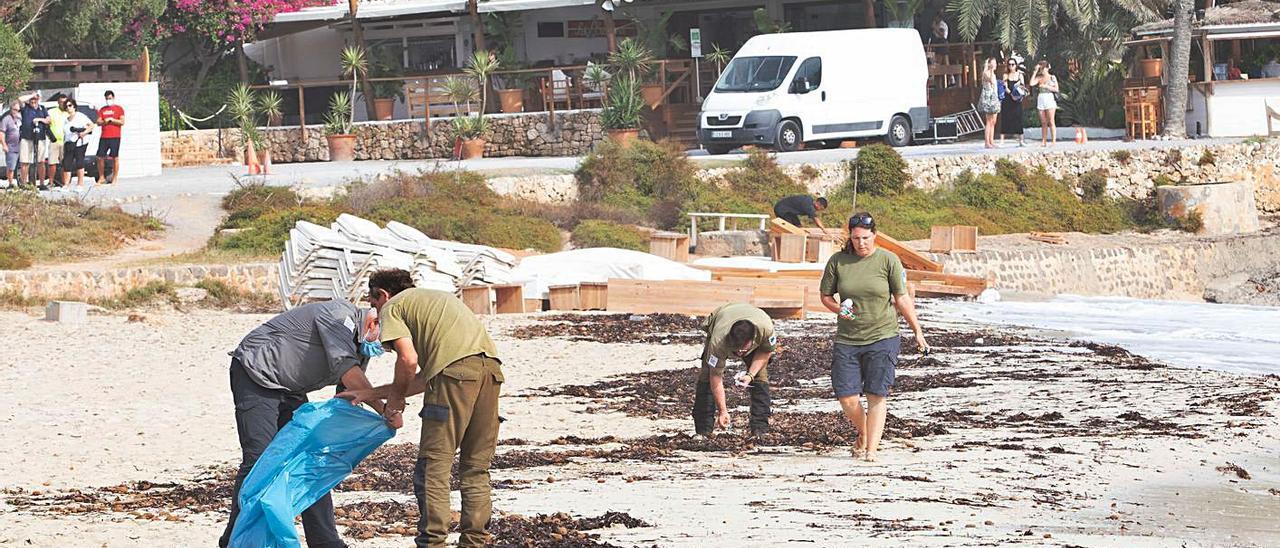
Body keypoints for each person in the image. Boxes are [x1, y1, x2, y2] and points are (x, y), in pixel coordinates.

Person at [340, 269, 504, 548]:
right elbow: (428, 375)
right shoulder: (437, 299)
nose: (375, 312)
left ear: (383, 294)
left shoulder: (394, 306)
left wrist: (394, 404)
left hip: (454, 377)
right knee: (476, 467)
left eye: (373, 303)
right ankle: (475, 542)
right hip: (490, 372)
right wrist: (370, 393)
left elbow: (408, 360)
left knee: (434, 467)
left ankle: (433, 543)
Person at [219, 299, 387, 548]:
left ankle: (325, 542)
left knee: (310, 460)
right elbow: (351, 375)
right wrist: (385, 410)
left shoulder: (363, 345)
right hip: (257, 372)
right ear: (374, 322)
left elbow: (349, 395)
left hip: (292, 386)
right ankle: (234, 540)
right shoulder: (339, 316)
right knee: (259, 460)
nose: (387, 348)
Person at [819, 213, 929, 462]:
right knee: (847, 398)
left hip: (883, 337)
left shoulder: (889, 260)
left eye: (866, 238)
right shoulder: (838, 262)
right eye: (856, 238)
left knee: (876, 395)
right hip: (847, 339)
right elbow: (825, 296)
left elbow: (902, 298)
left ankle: (871, 449)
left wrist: (918, 332)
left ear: (875, 236)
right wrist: (840, 310)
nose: (861, 243)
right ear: (851, 237)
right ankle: (864, 432)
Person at [692, 302, 777, 437]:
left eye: (743, 350)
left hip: (756, 319)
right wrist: (723, 411)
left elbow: (766, 352)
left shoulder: (765, 329)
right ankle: (703, 429)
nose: (739, 353)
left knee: (760, 376)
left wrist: (750, 375)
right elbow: (715, 377)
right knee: (706, 374)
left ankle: (760, 429)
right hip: (723, 315)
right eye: (735, 349)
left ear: (752, 340)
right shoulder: (718, 341)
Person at [18, 92, 50, 189]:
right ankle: (23, 183)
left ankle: (41, 183)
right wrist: (32, 95)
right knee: (25, 161)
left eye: (35, 99)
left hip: (40, 137)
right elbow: (20, 99)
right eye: (32, 99)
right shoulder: (26, 108)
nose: (33, 101)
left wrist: (39, 119)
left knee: (41, 161)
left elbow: (48, 120)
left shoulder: (42, 108)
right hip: (26, 137)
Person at [61, 98, 95, 188]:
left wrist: (84, 133)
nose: (68, 108)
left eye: (70, 105)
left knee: (79, 162)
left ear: (74, 106)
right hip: (69, 143)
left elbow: (91, 125)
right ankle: (66, 184)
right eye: (66, 106)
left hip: (79, 143)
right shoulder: (66, 120)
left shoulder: (80, 116)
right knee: (67, 163)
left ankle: (80, 184)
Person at [96, 90, 125, 184]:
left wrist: (112, 120)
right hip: (104, 136)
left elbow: (122, 122)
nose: (108, 100)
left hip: (115, 136)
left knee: (114, 157)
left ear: (113, 98)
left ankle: (114, 178)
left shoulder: (119, 108)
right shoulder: (102, 109)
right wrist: (105, 121)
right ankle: (101, 177)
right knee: (100, 157)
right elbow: (98, 122)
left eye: (110, 98)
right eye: (107, 98)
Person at [998, 57, 1027, 147]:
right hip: (1008, 98)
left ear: (1016, 65)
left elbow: (1022, 86)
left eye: (1013, 64)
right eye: (1009, 64)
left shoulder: (1020, 75)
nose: (1011, 66)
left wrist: (1019, 95)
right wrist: (1012, 95)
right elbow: (1005, 87)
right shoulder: (1006, 75)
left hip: (1017, 99)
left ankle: (1021, 140)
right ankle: (1002, 140)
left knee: (1018, 118)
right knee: (1005, 118)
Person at [1033, 61, 1059, 147]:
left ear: (1047, 68)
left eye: (1043, 68)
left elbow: (1056, 89)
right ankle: (1043, 141)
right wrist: (1035, 71)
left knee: (1051, 121)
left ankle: (1053, 141)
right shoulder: (1039, 77)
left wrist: (1046, 86)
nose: (1042, 70)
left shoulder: (1052, 77)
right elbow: (1031, 83)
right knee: (1043, 122)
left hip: (1049, 98)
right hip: (1041, 98)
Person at [46, 94, 69, 188]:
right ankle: (51, 182)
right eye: (61, 102)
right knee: (52, 163)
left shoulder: (69, 112)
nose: (63, 104)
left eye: (65, 102)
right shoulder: (51, 111)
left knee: (65, 163)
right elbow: (47, 125)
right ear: (58, 102)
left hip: (66, 141)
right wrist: (51, 137)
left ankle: (64, 183)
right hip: (54, 141)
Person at [978, 58, 1001, 149]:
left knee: (993, 121)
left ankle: (992, 141)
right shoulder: (986, 73)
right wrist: (990, 69)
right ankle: (987, 142)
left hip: (994, 96)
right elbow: (990, 80)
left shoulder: (994, 74)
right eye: (993, 63)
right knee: (989, 120)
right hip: (988, 97)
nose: (995, 65)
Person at [1, 101, 20, 188]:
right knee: (11, 166)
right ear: (11, 109)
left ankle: (20, 182)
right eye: (14, 109)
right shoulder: (6, 119)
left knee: (20, 165)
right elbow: (2, 133)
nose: (16, 111)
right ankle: (10, 183)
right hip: (10, 146)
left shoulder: (19, 119)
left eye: (18, 110)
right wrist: (4, 144)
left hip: (20, 146)